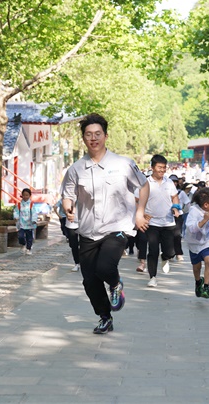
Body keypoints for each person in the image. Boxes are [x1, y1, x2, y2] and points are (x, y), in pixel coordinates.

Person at [61, 113, 150, 334]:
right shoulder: (76, 169)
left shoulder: (123, 164)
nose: (93, 138)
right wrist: (68, 207)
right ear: (83, 138)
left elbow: (143, 185)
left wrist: (140, 213)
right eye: (88, 134)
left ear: (106, 136)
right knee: (90, 281)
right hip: (88, 231)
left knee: (105, 267)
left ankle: (116, 283)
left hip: (117, 227)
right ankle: (105, 317)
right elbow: (68, 195)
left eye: (97, 134)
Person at [144, 155, 181, 288]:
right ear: (152, 167)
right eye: (159, 167)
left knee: (170, 252)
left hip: (168, 222)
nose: (162, 170)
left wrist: (175, 208)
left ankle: (165, 257)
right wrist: (142, 214)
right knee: (153, 250)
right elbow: (137, 200)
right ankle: (152, 277)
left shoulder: (169, 182)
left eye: (164, 167)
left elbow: (175, 197)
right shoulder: (145, 183)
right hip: (152, 223)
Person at [183, 187, 209, 299]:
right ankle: (198, 281)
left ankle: (206, 287)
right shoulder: (194, 212)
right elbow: (191, 228)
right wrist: (204, 220)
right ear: (205, 205)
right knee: (197, 267)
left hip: (207, 242)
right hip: (194, 244)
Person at [56, 197, 80, 271]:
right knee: (73, 244)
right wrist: (68, 212)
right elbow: (65, 201)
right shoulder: (68, 192)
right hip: (71, 222)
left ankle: (84, 261)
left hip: (84, 221)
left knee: (84, 243)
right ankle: (77, 263)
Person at [170, 174, 190, 262]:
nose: (174, 183)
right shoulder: (165, 191)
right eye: (172, 181)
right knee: (168, 235)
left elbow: (187, 203)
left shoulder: (181, 193)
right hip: (168, 216)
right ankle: (170, 253)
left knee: (177, 235)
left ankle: (178, 253)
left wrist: (184, 211)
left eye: (175, 182)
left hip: (178, 216)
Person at [14, 188, 38, 256]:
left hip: (29, 224)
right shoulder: (19, 204)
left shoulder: (31, 205)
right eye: (24, 195)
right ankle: (23, 244)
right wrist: (16, 217)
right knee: (20, 236)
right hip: (21, 224)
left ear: (29, 195)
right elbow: (16, 211)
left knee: (29, 237)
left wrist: (34, 220)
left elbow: (34, 213)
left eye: (27, 195)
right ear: (22, 195)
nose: (25, 196)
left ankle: (29, 248)